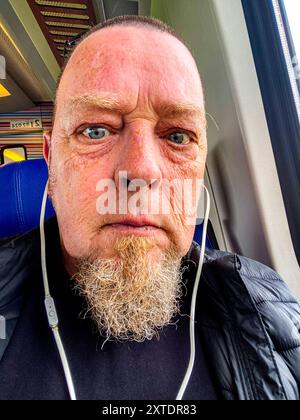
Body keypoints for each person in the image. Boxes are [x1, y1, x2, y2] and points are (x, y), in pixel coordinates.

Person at [0, 15, 299, 401]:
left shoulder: (268, 310)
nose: (141, 171)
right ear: (50, 158)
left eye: (178, 136)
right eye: (96, 130)